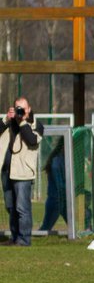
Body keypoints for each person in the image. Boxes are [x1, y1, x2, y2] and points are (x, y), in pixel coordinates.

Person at [2, 97, 44, 245]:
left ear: (29, 109)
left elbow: (32, 140)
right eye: (17, 108)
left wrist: (22, 122)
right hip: (7, 172)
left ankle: (24, 239)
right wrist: (6, 119)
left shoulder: (35, 124)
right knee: (10, 207)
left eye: (23, 109)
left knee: (22, 208)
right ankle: (15, 238)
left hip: (23, 172)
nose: (20, 111)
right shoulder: (9, 123)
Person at [38, 130, 67, 234]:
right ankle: (35, 240)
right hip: (55, 201)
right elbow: (60, 184)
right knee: (45, 228)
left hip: (63, 200)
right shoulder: (56, 161)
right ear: (64, 146)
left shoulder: (65, 160)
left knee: (75, 227)